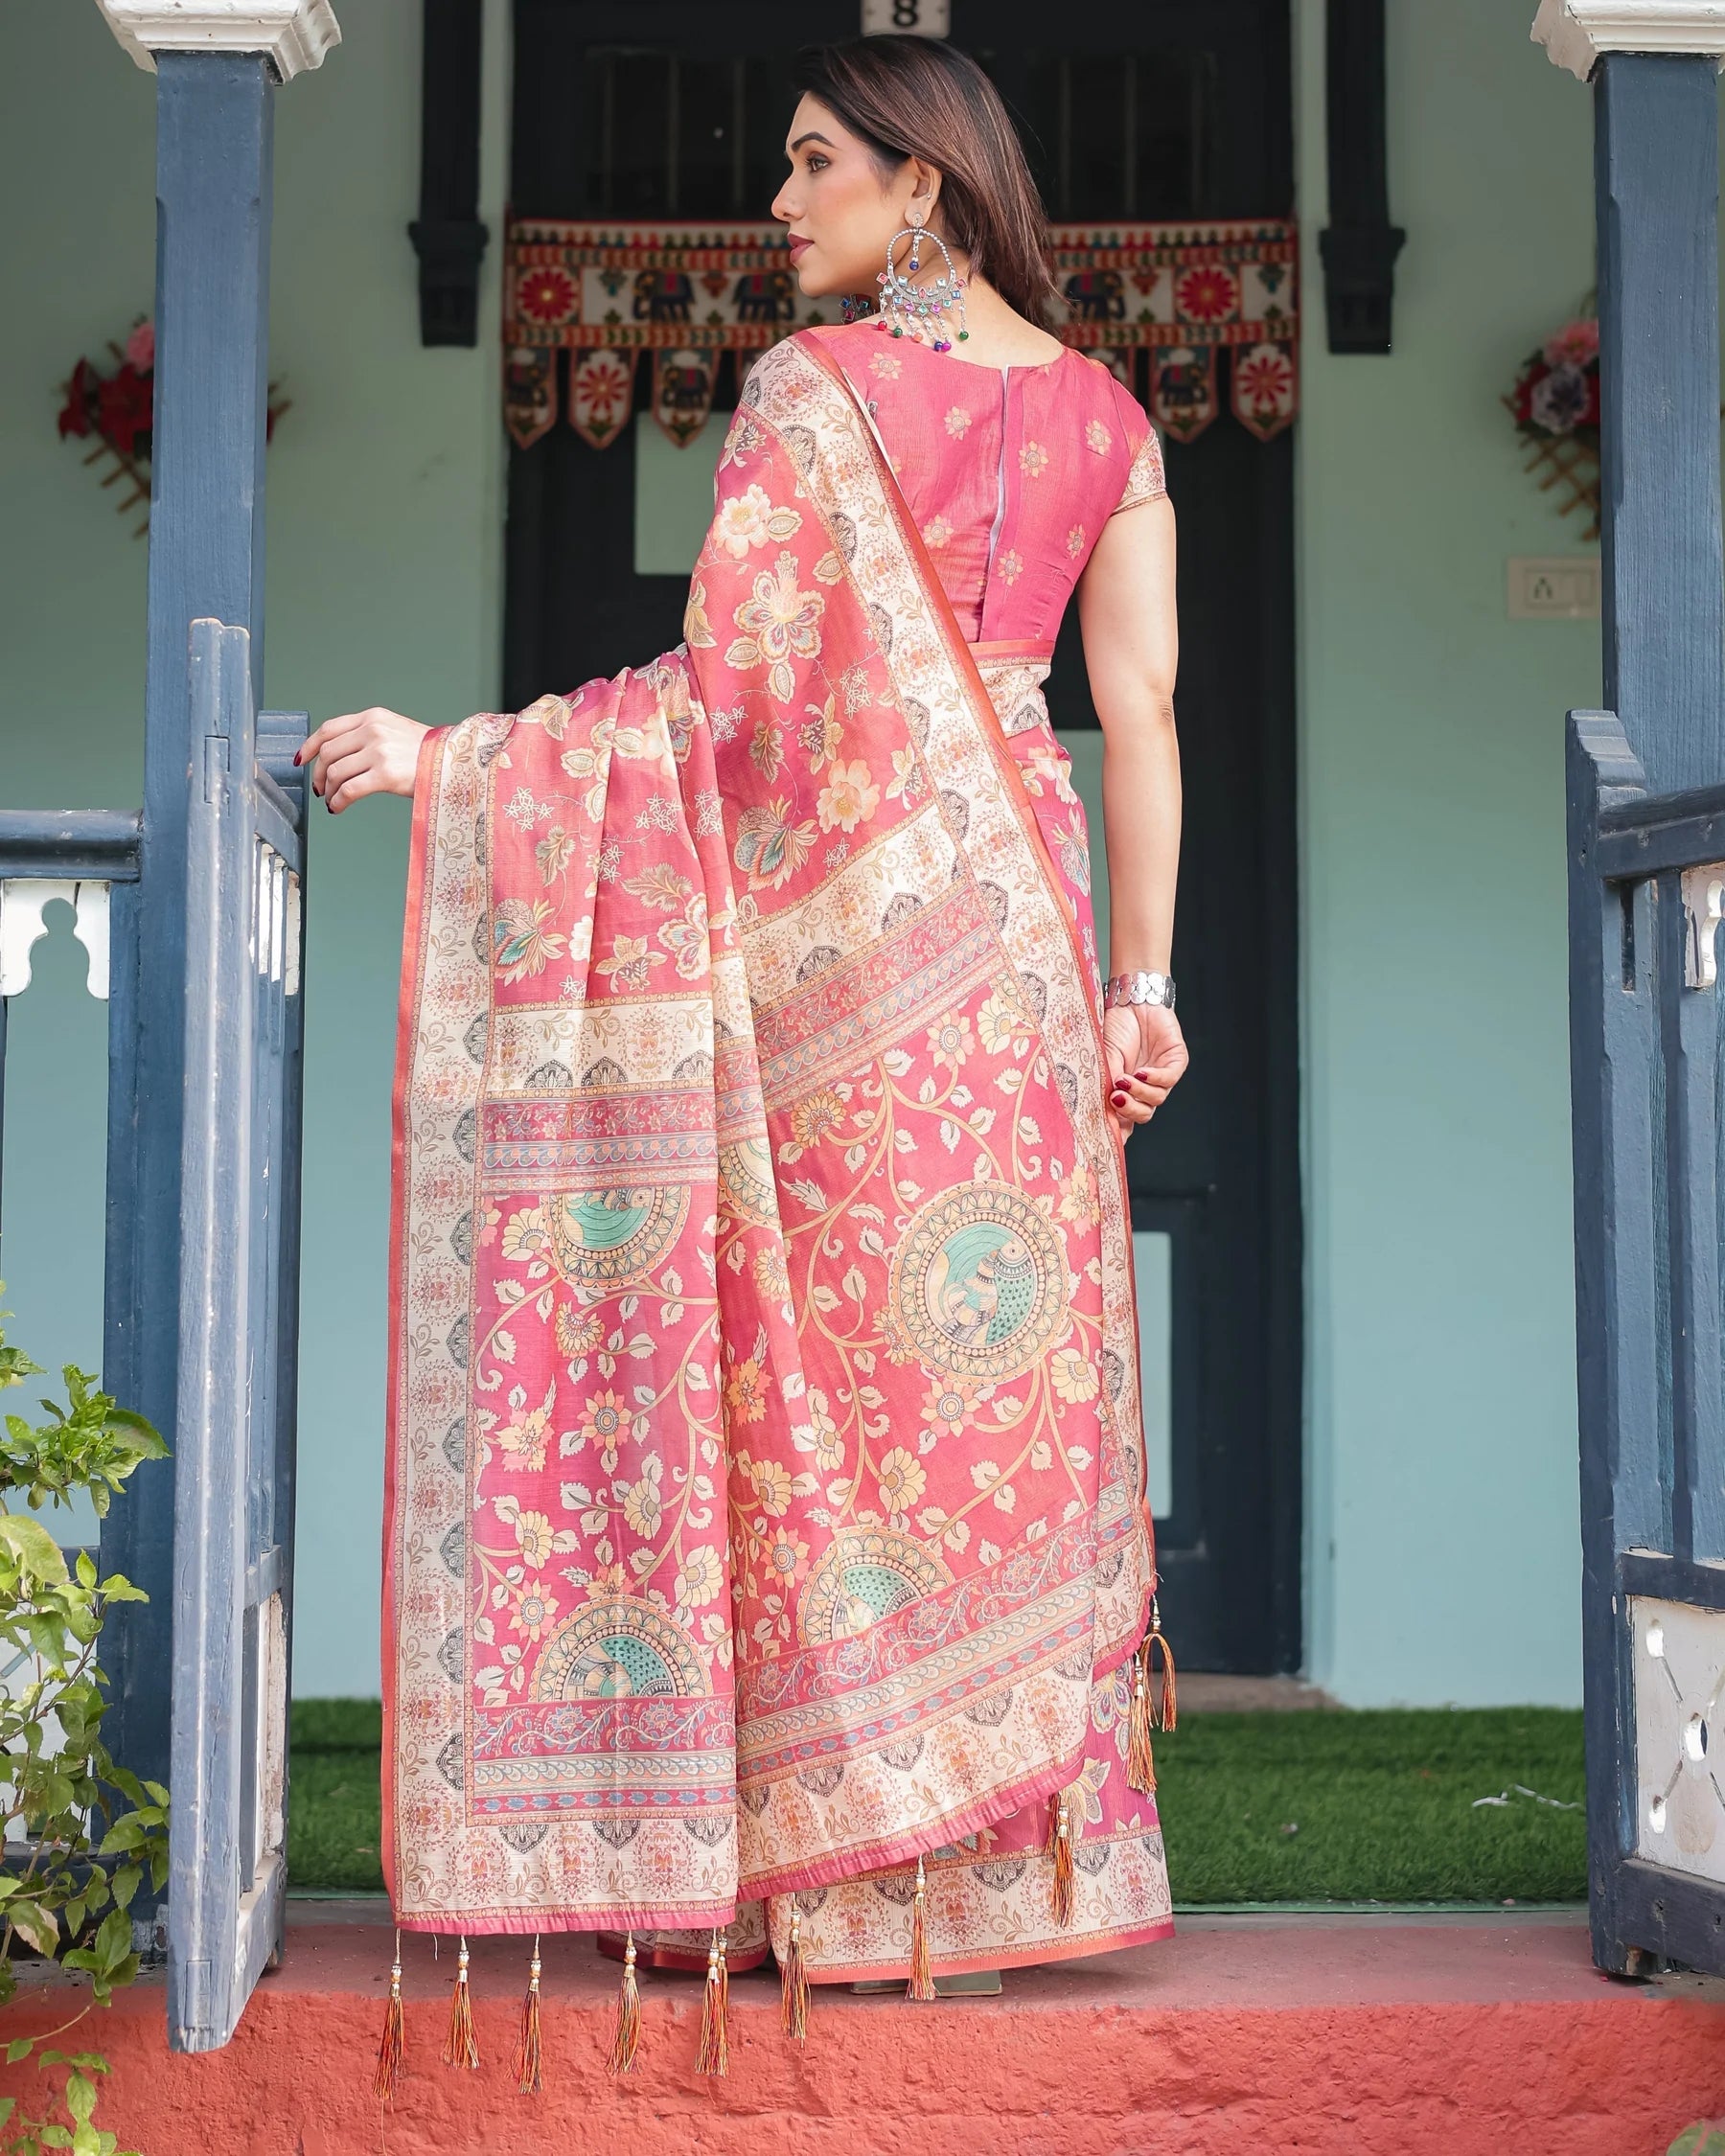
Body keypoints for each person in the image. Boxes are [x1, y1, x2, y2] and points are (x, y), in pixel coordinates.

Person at [299, 34, 1187, 2046]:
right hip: (1021, 938)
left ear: (922, 193)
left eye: (810, 167)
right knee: (979, 1392)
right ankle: (999, 1866)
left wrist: (462, 760)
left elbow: (730, 718)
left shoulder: (816, 399)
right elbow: (1137, 723)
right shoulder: (1111, 420)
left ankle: (819, 1873)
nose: (779, 205)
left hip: (836, 941)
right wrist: (1147, 991)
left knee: (819, 1382)